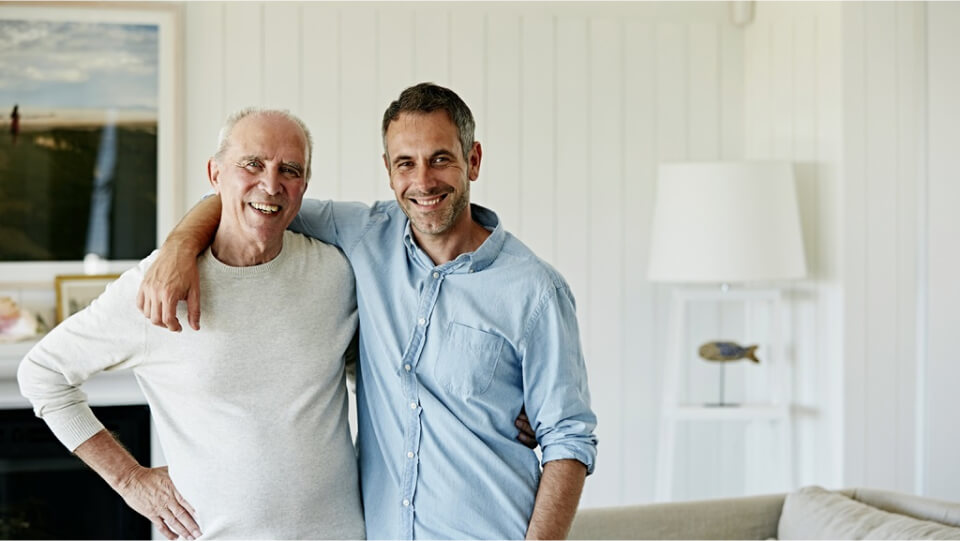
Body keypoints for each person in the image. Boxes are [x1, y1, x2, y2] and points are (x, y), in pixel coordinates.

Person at [140, 83, 598, 540]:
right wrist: (178, 247)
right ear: (388, 169)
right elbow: (250, 202)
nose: (423, 181)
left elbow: (569, 440)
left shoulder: (535, 290)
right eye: (406, 163)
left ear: (473, 160)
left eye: (440, 158)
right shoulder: (364, 235)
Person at [18, 108, 366, 540]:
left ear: (304, 187)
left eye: (289, 170)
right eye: (252, 164)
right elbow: (41, 374)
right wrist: (130, 480)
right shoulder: (158, 287)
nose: (271, 184)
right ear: (215, 174)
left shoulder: (335, 275)